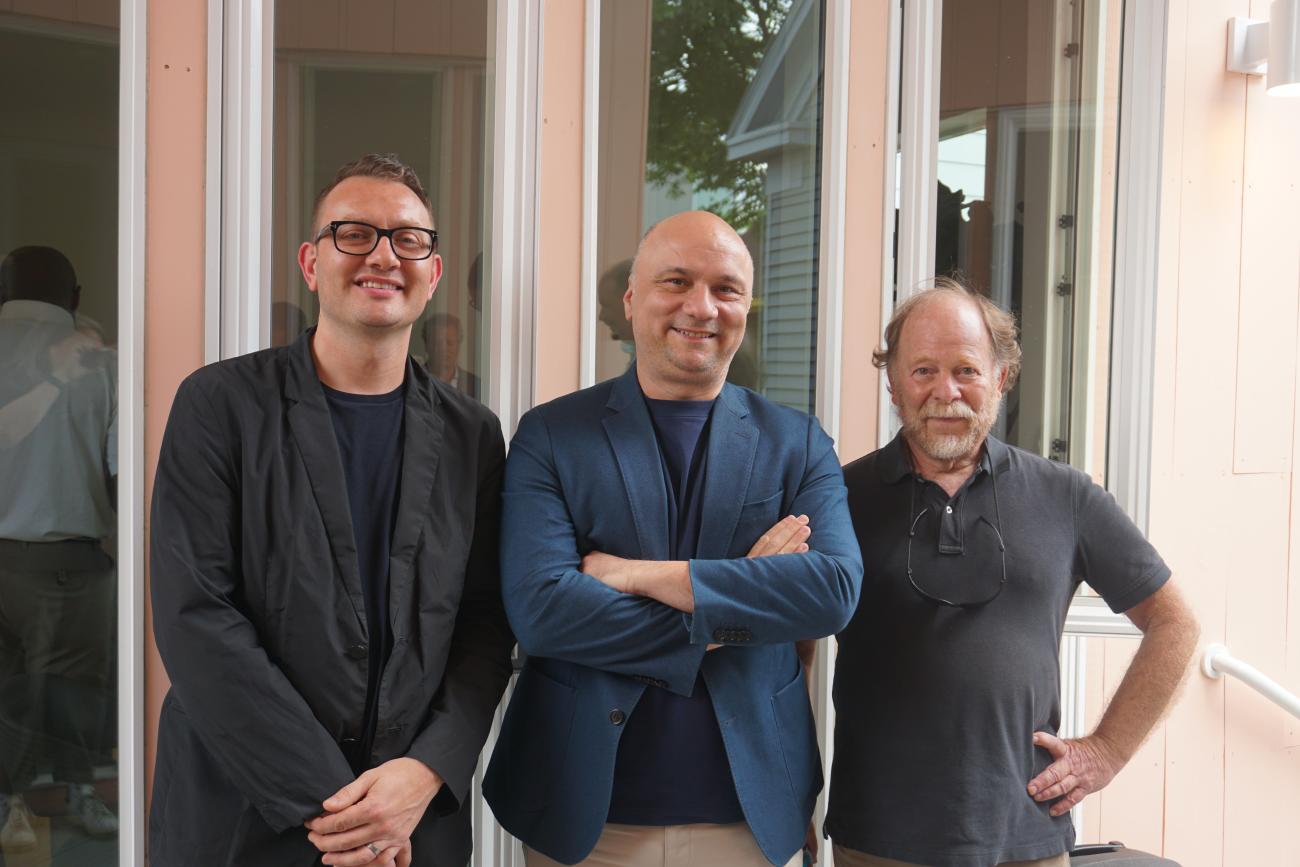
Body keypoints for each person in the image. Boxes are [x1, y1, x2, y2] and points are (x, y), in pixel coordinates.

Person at [149, 153, 513, 867]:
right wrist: (347, 813)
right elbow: (196, 615)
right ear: (311, 264)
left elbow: (485, 621)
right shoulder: (218, 406)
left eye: (408, 239)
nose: (383, 254)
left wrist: (426, 771)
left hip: (415, 820)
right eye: (354, 234)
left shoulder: (474, 433)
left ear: (431, 274)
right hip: (247, 817)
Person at [484, 210, 863, 867]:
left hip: (748, 818)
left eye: (726, 288)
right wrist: (739, 601)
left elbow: (830, 592)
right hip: (584, 819)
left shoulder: (796, 441)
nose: (701, 306)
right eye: (677, 281)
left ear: (747, 307)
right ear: (631, 300)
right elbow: (543, 612)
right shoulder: (552, 434)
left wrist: (637, 575)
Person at [827, 278, 1199, 867]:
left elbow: (1175, 623)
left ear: (1000, 379)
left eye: (966, 370)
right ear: (894, 385)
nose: (945, 391)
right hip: (876, 841)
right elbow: (789, 648)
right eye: (923, 371)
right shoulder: (838, 497)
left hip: (1026, 839)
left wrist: (1104, 752)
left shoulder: (1066, 496)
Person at [0, 246, 119, 852]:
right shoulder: (98, 362)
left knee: (8, 686)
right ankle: (74, 792)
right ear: (73, 297)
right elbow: (122, 469)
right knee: (73, 689)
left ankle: (8, 804)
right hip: (67, 559)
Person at [422, 312, 479, 400]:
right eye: (438, 342)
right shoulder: (413, 380)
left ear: (458, 345)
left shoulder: (475, 385)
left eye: (450, 343)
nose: (444, 349)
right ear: (426, 345)